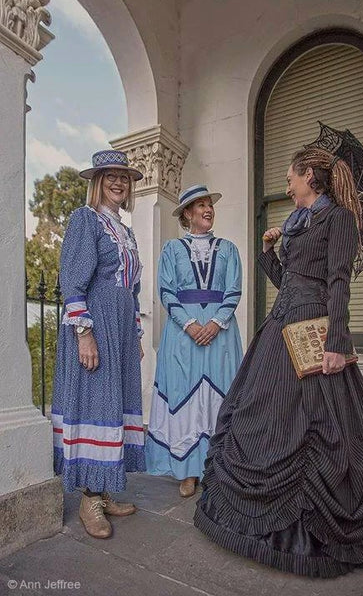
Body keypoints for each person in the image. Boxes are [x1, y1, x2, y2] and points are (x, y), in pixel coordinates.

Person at [194, 147, 363, 577]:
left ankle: (310, 536)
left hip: (312, 330)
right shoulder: (300, 222)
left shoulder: (337, 218)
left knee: (315, 425)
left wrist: (336, 342)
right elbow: (289, 282)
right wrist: (270, 252)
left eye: (290, 178)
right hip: (280, 326)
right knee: (258, 414)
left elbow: (338, 281)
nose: (286, 186)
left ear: (308, 176)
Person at [52, 150, 146, 539]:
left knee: (114, 402)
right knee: (96, 399)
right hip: (96, 322)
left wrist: (136, 333)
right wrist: (83, 332)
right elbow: (72, 280)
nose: (118, 182)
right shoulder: (85, 220)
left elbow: (133, 288)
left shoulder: (127, 230)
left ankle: (103, 488)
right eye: (110, 176)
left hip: (121, 326)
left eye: (123, 176)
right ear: (97, 182)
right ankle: (89, 500)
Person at [145, 185, 243, 497]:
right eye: (200, 205)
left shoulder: (228, 249)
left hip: (221, 334)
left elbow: (234, 289)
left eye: (209, 205)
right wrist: (189, 324)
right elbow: (166, 291)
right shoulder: (172, 250)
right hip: (182, 334)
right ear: (188, 213)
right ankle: (187, 471)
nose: (208, 209)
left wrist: (216, 322)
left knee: (219, 397)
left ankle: (217, 469)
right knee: (185, 396)